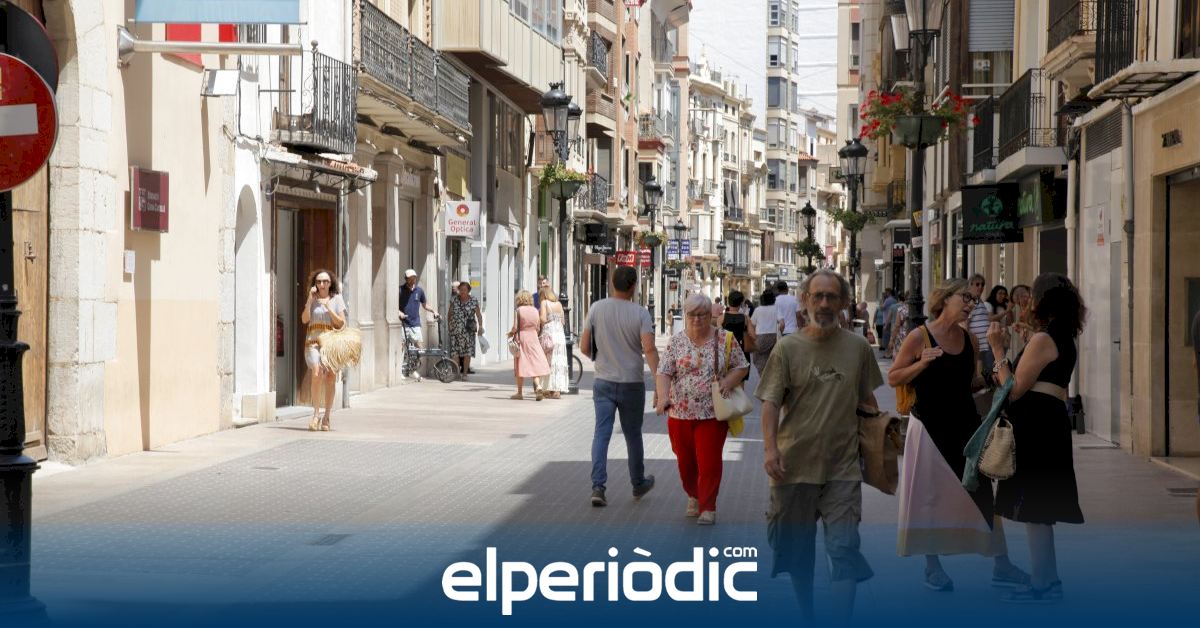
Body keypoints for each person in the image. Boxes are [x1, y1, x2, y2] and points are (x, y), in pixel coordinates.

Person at [757, 269, 883, 623]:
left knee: (844, 550)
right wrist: (770, 449)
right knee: (797, 555)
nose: (824, 303)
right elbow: (770, 403)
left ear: (844, 302)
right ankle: (808, 617)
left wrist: (882, 439)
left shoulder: (858, 348)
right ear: (805, 301)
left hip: (842, 469)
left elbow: (868, 401)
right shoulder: (787, 349)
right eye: (818, 296)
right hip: (792, 468)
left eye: (832, 297)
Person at [887, 279, 1029, 592]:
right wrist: (921, 364)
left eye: (972, 300)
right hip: (929, 428)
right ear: (944, 298)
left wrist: (993, 375)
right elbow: (894, 377)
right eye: (965, 297)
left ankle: (1001, 564)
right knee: (929, 496)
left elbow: (970, 383)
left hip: (966, 427)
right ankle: (932, 566)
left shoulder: (970, 339)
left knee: (982, 493)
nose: (970, 304)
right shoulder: (919, 336)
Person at [987, 273, 1087, 603]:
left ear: (1043, 300)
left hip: (1036, 425)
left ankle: (1044, 583)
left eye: (1032, 295)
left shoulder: (1045, 339)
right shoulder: (1061, 335)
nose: (1028, 301)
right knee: (1038, 508)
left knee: (1035, 507)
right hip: (1049, 422)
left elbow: (1013, 389)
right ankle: (1047, 579)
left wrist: (998, 351)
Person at [655, 294, 749, 526]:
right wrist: (663, 397)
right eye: (692, 314)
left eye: (702, 314)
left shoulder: (724, 338)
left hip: (712, 413)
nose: (697, 319)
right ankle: (694, 495)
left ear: (711, 315)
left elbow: (742, 366)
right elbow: (664, 371)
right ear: (685, 315)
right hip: (679, 413)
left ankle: (708, 506)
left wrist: (727, 382)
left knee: (709, 462)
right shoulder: (676, 342)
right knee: (685, 462)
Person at [579, 266, 659, 508]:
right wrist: (660, 381)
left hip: (603, 381)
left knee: (601, 433)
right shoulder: (641, 313)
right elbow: (649, 349)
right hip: (632, 382)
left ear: (612, 284)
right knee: (633, 435)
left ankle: (598, 487)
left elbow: (584, 347)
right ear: (633, 286)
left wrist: (601, 359)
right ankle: (638, 482)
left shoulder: (596, 308)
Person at [300, 269, 347, 432]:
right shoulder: (312, 299)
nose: (322, 284)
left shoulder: (337, 299)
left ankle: (327, 416)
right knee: (316, 372)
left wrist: (329, 308)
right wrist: (309, 300)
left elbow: (341, 323)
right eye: (319, 281)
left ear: (330, 283)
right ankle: (315, 415)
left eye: (325, 281)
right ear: (315, 284)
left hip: (330, 344)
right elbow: (304, 319)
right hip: (313, 342)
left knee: (331, 377)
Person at [507, 291, 549, 401]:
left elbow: (515, 327)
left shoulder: (518, 310)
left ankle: (519, 393)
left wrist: (510, 333)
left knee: (520, 364)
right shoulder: (535, 310)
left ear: (519, 299)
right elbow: (538, 327)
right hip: (533, 337)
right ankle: (538, 386)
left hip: (522, 338)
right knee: (534, 363)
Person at [400, 268, 439, 376]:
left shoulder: (419, 291)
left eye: (414, 278)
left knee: (420, 347)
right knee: (401, 346)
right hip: (403, 323)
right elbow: (393, 305)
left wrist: (434, 311)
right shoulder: (400, 290)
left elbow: (425, 305)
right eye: (410, 278)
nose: (413, 280)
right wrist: (399, 313)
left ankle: (413, 368)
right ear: (406, 279)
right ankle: (400, 370)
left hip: (415, 323)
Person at [448, 281, 483, 380]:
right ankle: (457, 373)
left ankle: (465, 373)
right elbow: (449, 314)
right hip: (455, 330)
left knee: (468, 352)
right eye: (461, 290)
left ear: (468, 291)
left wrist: (480, 326)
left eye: (464, 290)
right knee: (455, 352)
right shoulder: (454, 300)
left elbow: (479, 315)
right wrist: (449, 326)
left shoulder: (473, 300)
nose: (462, 292)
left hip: (469, 331)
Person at [538, 285, 569, 399]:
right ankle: (557, 391)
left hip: (549, 334)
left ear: (544, 295)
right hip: (560, 335)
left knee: (547, 361)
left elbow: (542, 318)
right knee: (558, 362)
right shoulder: (559, 304)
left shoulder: (544, 302)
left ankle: (547, 389)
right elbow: (563, 321)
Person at [966, 274, 994, 377]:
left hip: (984, 341)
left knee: (986, 366)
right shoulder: (971, 301)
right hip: (977, 341)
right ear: (970, 285)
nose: (980, 287)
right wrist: (968, 339)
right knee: (980, 366)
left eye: (982, 284)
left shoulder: (979, 300)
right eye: (977, 284)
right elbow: (966, 321)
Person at [719, 290, 753, 367]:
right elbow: (752, 335)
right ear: (741, 303)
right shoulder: (746, 318)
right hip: (742, 349)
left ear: (728, 302)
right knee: (743, 371)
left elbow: (719, 335)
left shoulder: (721, 318)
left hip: (726, 350)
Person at [750, 288, 778, 375]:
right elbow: (782, 323)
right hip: (774, 336)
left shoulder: (758, 310)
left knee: (758, 358)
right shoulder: (776, 308)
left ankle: (763, 376)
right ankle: (769, 376)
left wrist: (753, 337)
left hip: (760, 336)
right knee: (771, 358)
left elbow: (752, 324)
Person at [1007, 284, 1033, 361]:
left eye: (1018, 302)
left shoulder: (1034, 305)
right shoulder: (1024, 309)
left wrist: (1023, 325)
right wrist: (1020, 330)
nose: (1020, 305)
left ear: (1023, 296)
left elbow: (1040, 329)